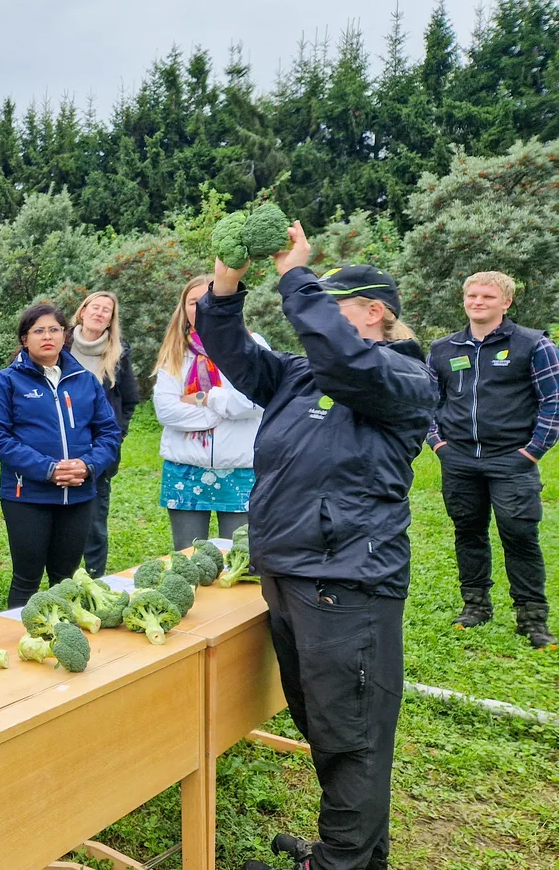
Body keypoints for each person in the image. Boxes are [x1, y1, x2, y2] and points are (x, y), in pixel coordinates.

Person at [195, 232, 438, 870]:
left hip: (347, 578)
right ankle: (353, 854)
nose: (318, 318)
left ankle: (337, 863)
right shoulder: (302, 375)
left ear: (376, 312)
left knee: (350, 735)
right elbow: (233, 351)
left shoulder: (405, 376)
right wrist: (224, 288)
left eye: (335, 306)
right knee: (325, 723)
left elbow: (348, 363)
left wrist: (297, 278)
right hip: (293, 570)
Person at [427, 270, 557, 649]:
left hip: (512, 460)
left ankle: (532, 618)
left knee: (519, 536)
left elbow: (554, 402)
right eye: (472, 296)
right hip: (459, 459)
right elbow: (428, 402)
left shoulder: (534, 345)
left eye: (487, 296)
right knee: (468, 532)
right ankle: (476, 606)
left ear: (506, 302)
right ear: (464, 299)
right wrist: (438, 444)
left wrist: (532, 451)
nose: (478, 302)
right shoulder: (442, 349)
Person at [0, 303, 122, 608]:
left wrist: (88, 465)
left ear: (64, 335)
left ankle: (62, 639)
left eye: (55, 329)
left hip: (79, 495)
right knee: (27, 578)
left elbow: (109, 433)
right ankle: (20, 639)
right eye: (39, 330)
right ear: (24, 339)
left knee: (65, 578)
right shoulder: (6, 382)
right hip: (27, 496)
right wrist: (48, 469)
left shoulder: (84, 381)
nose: (48, 336)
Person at [152, 275, 265, 550]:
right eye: (193, 302)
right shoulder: (174, 351)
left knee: (240, 557)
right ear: (184, 308)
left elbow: (258, 400)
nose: (201, 307)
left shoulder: (251, 344)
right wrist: (220, 413)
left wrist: (207, 397)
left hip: (241, 469)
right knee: (188, 557)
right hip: (185, 470)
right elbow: (166, 410)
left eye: (208, 299)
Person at [69, 291, 141, 576]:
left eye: (107, 310)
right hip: (59, 446)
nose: (100, 313)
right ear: (83, 311)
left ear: (111, 319)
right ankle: (64, 578)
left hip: (98, 453)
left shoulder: (118, 351)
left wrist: (113, 439)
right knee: (61, 520)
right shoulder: (61, 344)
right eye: (95, 307)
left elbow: (130, 399)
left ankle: (95, 578)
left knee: (94, 522)